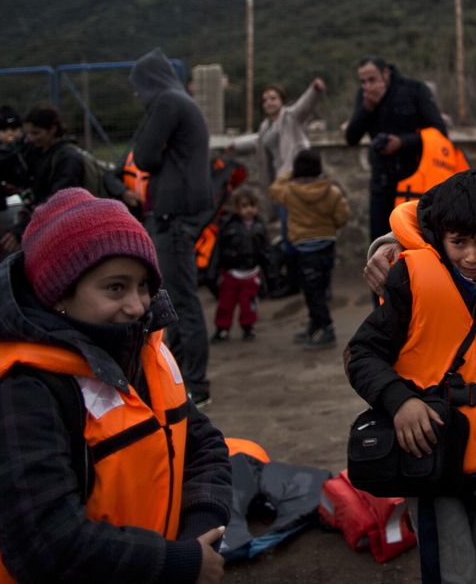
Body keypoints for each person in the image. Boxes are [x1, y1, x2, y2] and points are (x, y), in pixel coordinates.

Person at [0, 188, 232, 583]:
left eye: (143, 285)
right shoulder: (20, 390)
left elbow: (204, 446)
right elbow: (44, 544)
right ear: (59, 292)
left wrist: (199, 532)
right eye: (115, 287)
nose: (137, 306)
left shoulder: (141, 349)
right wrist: (174, 563)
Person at [346, 170, 476, 583]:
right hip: (433, 460)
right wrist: (399, 401)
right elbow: (361, 353)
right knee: (457, 575)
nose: (472, 257)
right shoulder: (409, 276)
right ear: (440, 236)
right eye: (458, 243)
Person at [129, 48, 214, 407]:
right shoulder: (180, 100)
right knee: (178, 299)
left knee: (180, 302)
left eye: (137, 88)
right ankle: (181, 378)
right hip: (181, 211)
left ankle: (194, 385)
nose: (137, 96)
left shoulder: (166, 101)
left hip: (173, 214)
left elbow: (144, 156)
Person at [344, 57, 448, 240]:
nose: (367, 86)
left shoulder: (414, 90)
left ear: (386, 73)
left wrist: (402, 142)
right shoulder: (364, 97)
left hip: (414, 178)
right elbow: (351, 138)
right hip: (381, 180)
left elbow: (439, 131)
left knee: (415, 238)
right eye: (363, 82)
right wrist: (367, 108)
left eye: (372, 80)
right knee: (380, 241)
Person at [269, 148, 349, 349]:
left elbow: (274, 188)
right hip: (327, 246)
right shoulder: (331, 191)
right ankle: (315, 326)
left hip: (304, 250)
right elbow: (342, 217)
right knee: (320, 290)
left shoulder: (289, 192)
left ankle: (327, 330)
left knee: (312, 293)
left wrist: (289, 173)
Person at [212, 186, 267, 343]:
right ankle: (222, 328)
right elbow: (219, 249)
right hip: (231, 272)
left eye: (252, 206)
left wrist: (270, 272)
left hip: (251, 272)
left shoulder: (259, 226)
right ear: (237, 208)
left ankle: (248, 327)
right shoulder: (229, 225)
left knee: (248, 303)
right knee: (225, 303)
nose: (249, 210)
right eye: (244, 206)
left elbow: (266, 251)